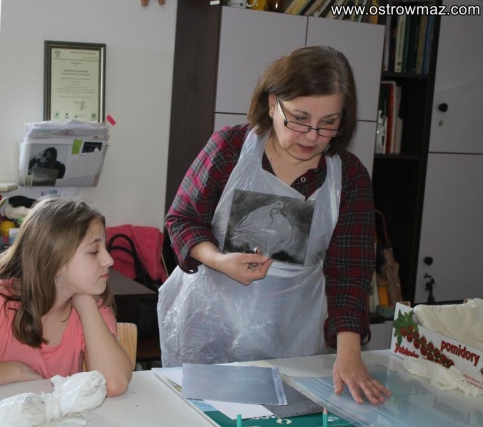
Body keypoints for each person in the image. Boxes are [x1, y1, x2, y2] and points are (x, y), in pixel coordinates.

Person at [158, 46, 391, 405]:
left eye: (329, 123)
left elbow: (350, 272)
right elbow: (183, 219)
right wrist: (219, 260)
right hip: (210, 325)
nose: (312, 136)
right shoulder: (230, 148)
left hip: (292, 333)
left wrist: (349, 352)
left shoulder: (349, 177)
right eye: (299, 119)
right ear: (272, 105)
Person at [0, 197, 133, 399]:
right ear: (55, 261)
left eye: (105, 248)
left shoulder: (93, 306)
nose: (109, 260)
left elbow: (114, 383)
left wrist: (85, 305)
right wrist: (15, 371)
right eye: (94, 251)